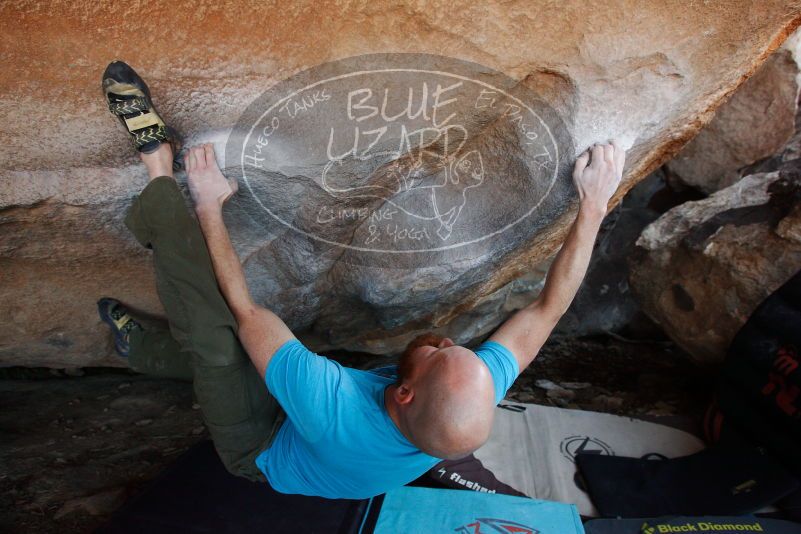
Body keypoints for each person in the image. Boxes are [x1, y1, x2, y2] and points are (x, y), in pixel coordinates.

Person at [97, 61, 625, 499]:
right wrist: (594, 204)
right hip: (326, 430)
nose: (447, 341)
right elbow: (545, 310)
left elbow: (246, 313)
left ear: (404, 395)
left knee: (215, 340)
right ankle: (145, 351)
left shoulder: (335, 410)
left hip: (262, 446)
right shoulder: (464, 391)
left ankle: (157, 166)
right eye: (464, 350)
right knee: (246, 359)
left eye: (440, 353)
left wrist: (209, 204)